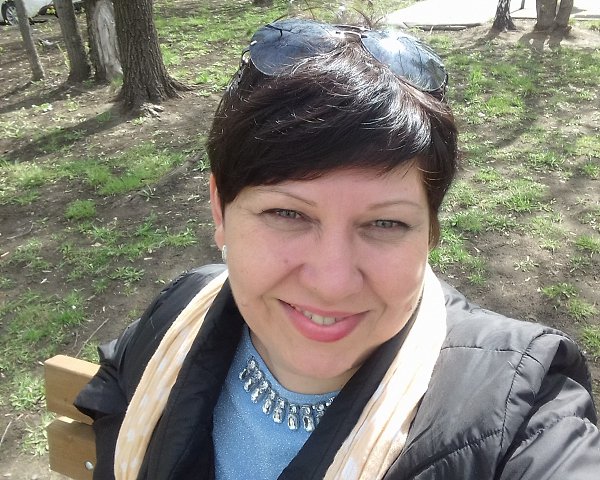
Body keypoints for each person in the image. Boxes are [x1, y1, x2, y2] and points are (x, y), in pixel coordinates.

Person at [75, 18, 600, 480]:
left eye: (386, 223)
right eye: (287, 214)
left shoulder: (521, 405)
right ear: (220, 210)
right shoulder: (178, 313)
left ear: (430, 231)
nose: (332, 282)